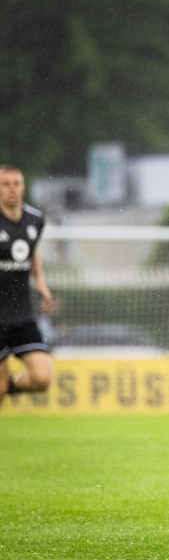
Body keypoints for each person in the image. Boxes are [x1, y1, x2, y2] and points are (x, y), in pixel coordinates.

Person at [0, 165, 54, 407]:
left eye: (16, 183)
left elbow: (31, 250)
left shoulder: (35, 219)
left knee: (42, 378)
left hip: (21, 315)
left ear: (23, 187)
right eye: (5, 184)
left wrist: (40, 281)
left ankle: (7, 386)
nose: (12, 189)